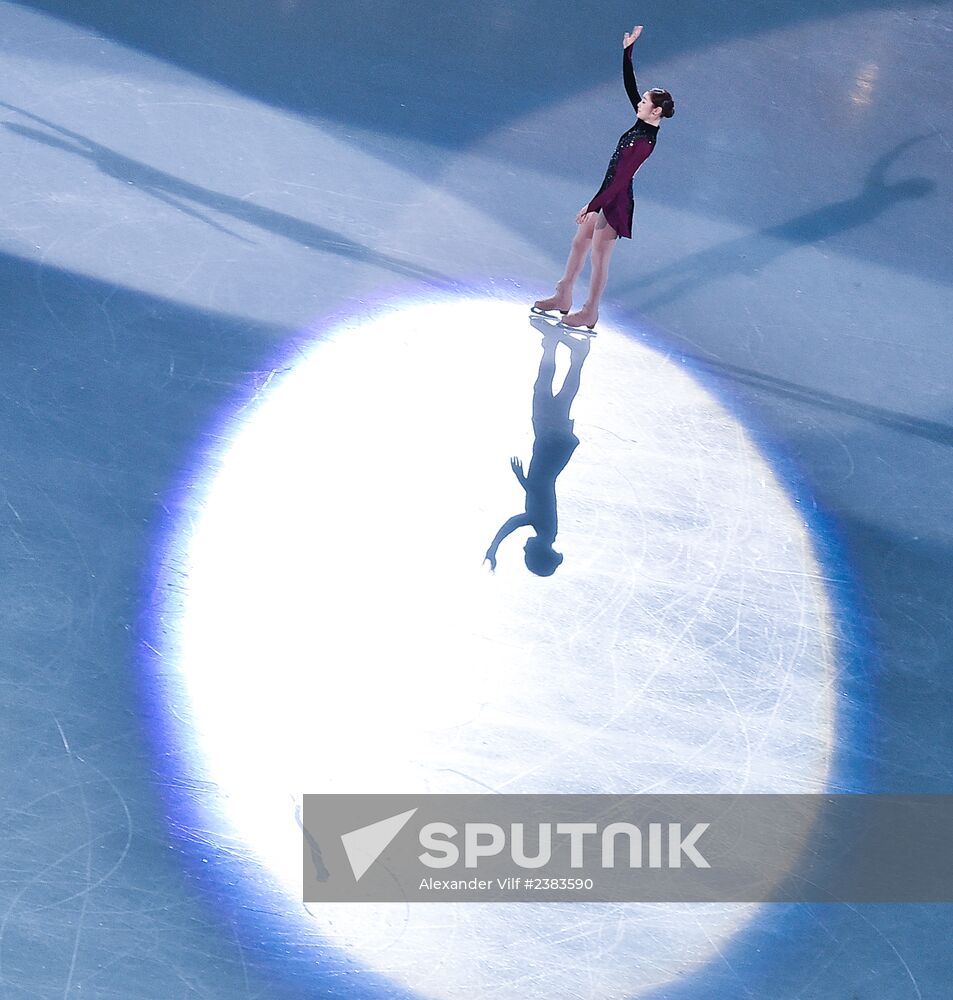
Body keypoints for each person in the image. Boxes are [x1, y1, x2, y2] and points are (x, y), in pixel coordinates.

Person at [533, 25, 675, 330]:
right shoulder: (642, 123)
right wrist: (628, 50)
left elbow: (622, 180)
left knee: (599, 257)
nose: (639, 102)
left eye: (644, 102)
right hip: (606, 193)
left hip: (616, 202)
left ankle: (590, 311)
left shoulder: (645, 141)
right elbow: (629, 86)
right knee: (579, 242)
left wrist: (594, 206)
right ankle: (563, 294)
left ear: (655, 112)